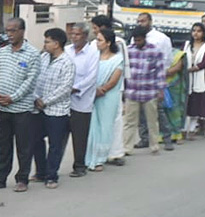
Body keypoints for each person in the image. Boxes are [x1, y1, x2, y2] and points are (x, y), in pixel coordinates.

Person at [0, 18, 40, 193]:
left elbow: (30, 82)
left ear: (22, 31)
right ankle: (0, 178)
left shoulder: (32, 54)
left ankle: (22, 179)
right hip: (2, 108)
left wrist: (13, 97)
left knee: (23, 146)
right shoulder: (2, 52)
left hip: (22, 110)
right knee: (2, 146)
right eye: (7, 30)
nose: (9, 34)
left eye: (13, 30)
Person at [31, 28, 73, 189]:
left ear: (56, 44)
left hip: (57, 110)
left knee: (55, 144)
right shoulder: (42, 58)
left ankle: (51, 176)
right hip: (38, 108)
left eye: (47, 41)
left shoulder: (67, 63)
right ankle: (40, 171)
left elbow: (65, 88)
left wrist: (46, 101)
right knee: (36, 140)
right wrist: (36, 98)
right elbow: (34, 78)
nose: (45, 44)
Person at [122, 27, 166, 156]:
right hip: (132, 91)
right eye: (135, 40)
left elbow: (160, 72)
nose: (137, 42)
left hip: (150, 92)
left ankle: (154, 146)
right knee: (130, 122)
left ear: (144, 38)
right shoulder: (129, 51)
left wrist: (161, 90)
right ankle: (127, 148)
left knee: (152, 121)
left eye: (139, 40)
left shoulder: (155, 51)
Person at [85, 28, 124, 171]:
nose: (97, 43)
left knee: (105, 127)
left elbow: (114, 80)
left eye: (100, 40)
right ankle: (88, 158)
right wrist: (91, 90)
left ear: (108, 43)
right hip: (91, 96)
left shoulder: (117, 59)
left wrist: (102, 90)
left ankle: (100, 159)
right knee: (91, 127)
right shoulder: (93, 57)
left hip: (107, 97)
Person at [134, 13, 174, 150]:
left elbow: (167, 60)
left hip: (154, 82)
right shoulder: (135, 38)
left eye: (143, 21)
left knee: (159, 112)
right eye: (138, 21)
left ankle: (167, 138)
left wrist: (161, 83)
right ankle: (144, 138)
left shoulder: (161, 38)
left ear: (150, 21)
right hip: (138, 83)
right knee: (141, 114)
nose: (140, 23)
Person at [66, 23, 99, 179]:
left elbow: (91, 78)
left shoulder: (93, 53)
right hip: (63, 100)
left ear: (85, 36)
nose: (74, 37)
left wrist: (75, 88)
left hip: (82, 100)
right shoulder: (66, 50)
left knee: (79, 136)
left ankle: (79, 166)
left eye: (77, 34)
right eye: (72, 34)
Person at [184, 23, 205, 139]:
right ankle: (187, 129)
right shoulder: (187, 45)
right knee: (190, 103)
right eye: (194, 31)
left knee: (201, 102)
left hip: (202, 78)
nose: (196, 33)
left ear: (203, 33)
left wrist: (193, 69)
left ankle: (200, 128)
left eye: (199, 31)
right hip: (189, 78)